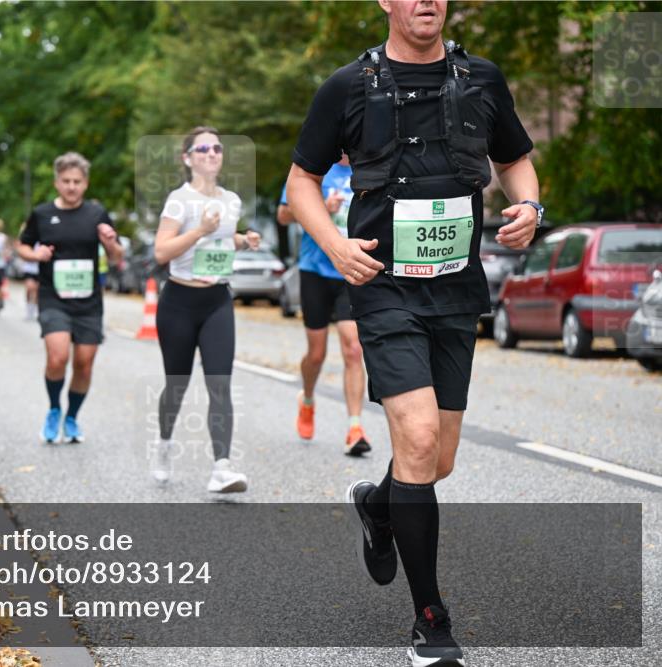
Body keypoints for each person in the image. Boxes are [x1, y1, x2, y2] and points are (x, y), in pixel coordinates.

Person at [287, 2, 541, 665]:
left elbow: (515, 159)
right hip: (385, 285)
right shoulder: (348, 86)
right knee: (419, 438)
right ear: (387, 3)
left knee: (434, 460)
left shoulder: (481, 78)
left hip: (456, 288)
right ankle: (430, 618)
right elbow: (302, 180)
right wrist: (333, 244)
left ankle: (378, 504)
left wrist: (529, 206)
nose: (426, 0)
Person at [149, 127, 260, 493]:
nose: (212, 153)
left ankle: (221, 468)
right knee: (176, 386)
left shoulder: (231, 200)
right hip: (179, 303)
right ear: (188, 158)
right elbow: (162, 252)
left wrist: (244, 241)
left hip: (216, 300)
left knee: (220, 384)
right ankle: (164, 445)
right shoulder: (179, 201)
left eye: (217, 148)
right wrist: (198, 230)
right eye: (203, 148)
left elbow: (224, 239)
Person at [17, 152, 123, 444]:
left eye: (77, 181)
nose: (72, 186)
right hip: (54, 298)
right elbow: (22, 246)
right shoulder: (41, 214)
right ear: (57, 183)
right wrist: (35, 254)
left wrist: (110, 243)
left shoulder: (96, 214)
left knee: (84, 364)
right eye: (66, 181)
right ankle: (53, 409)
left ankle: (72, 417)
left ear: (86, 184)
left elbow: (117, 257)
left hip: (89, 302)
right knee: (57, 357)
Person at [278, 154, 371, 453]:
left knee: (353, 347)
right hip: (316, 270)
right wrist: (320, 208)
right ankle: (306, 399)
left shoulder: (367, 168)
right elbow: (282, 215)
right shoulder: (313, 168)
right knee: (316, 354)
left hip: (351, 271)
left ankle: (355, 427)